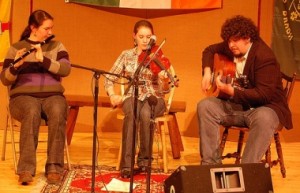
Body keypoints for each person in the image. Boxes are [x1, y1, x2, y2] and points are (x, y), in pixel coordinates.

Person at [197, 15, 293, 165]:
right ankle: (210, 166)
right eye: (228, 40)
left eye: (235, 40)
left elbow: (263, 95)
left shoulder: (264, 57)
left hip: (265, 107)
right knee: (205, 106)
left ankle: (246, 171)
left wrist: (231, 91)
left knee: (264, 118)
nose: (230, 45)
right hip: (239, 106)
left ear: (247, 38)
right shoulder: (232, 48)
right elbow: (209, 50)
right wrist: (207, 72)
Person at [0, 10, 71, 184]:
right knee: (32, 109)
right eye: (46, 28)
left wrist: (43, 60)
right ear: (33, 28)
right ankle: (25, 169)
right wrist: (16, 66)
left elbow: (65, 69)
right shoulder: (16, 48)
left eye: (51, 28)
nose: (50, 32)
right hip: (22, 98)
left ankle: (54, 168)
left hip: (52, 96)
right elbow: (4, 80)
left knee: (57, 108)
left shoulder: (57, 46)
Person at [104, 20, 173, 178]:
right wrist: (112, 94)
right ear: (134, 36)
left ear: (153, 38)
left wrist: (164, 80)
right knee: (133, 112)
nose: (145, 40)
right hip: (132, 96)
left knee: (145, 113)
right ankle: (127, 165)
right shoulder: (126, 55)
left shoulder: (158, 56)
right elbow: (108, 78)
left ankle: (144, 161)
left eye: (148, 37)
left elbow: (166, 90)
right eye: (141, 36)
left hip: (155, 98)